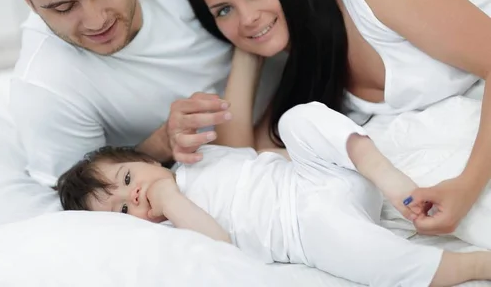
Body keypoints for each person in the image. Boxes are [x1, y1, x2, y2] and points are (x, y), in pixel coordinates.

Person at [0, 0, 455, 185]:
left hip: (312, 75)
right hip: (261, 138)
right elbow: (84, 195)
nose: (95, 18)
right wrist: (158, 145)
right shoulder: (46, 89)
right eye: (62, 7)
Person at [180, 0, 491, 236]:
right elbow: (238, 162)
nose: (246, 17)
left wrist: (466, 188)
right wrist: (246, 51)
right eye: (224, 10)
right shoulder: (310, 73)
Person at [56, 103, 491, 287]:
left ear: (150, 159)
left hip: (316, 177)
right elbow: (220, 247)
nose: (136, 198)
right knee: (360, 255)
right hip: (307, 227)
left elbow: (260, 157)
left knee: (297, 119)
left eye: (129, 180)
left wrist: (312, 149)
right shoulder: (173, 228)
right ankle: (470, 265)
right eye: (122, 210)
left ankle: (393, 182)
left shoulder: (195, 157)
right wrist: (169, 199)